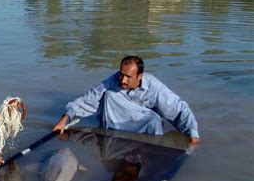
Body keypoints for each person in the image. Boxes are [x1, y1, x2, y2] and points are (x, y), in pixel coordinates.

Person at [53, 56, 200, 146]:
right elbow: (87, 100)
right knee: (110, 95)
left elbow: (178, 109)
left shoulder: (154, 86)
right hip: (112, 128)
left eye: (128, 77)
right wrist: (64, 120)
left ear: (140, 76)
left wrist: (192, 135)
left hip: (144, 128)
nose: (122, 80)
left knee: (154, 120)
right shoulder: (113, 81)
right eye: (121, 74)